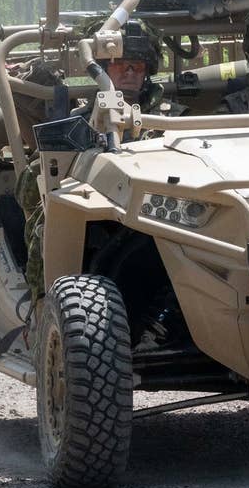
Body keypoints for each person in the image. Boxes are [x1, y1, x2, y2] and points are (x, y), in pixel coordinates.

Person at [15, 16, 164, 303]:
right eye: (121, 65)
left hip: (160, 219)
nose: (130, 73)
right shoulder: (79, 123)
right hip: (103, 227)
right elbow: (29, 190)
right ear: (104, 68)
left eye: (138, 66)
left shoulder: (172, 118)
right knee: (47, 226)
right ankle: (45, 310)